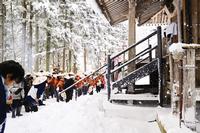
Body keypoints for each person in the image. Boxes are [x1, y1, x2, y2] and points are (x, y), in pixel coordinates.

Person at [0, 60, 24, 133]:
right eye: (14, 80)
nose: (13, 83)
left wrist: (6, 104)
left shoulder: (3, 85)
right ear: (9, 75)